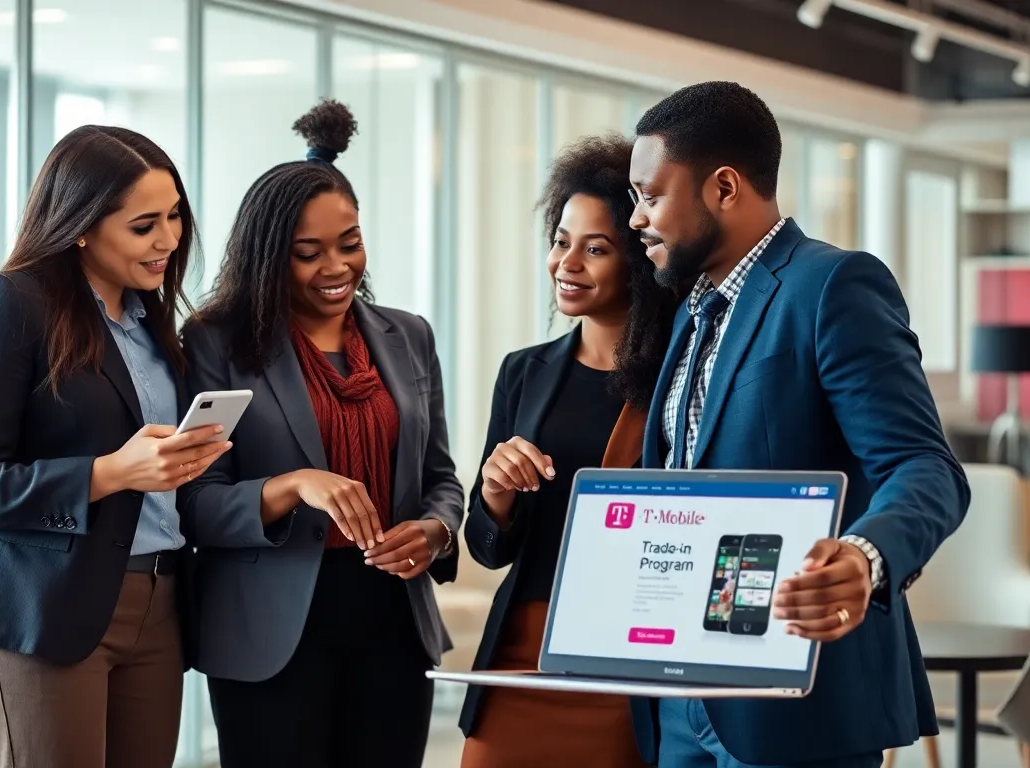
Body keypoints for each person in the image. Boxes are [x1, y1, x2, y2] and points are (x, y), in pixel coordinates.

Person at [627, 80, 970, 768]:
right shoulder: (691, 312)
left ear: (724, 188)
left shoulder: (833, 286)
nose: (636, 218)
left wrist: (864, 557)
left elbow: (925, 467)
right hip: (680, 691)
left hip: (795, 692)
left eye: (651, 194)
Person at [179, 99, 464, 768]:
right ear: (268, 256)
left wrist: (436, 530)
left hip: (394, 624)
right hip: (272, 635)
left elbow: (442, 478)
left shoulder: (408, 336)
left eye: (350, 242)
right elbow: (192, 504)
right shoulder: (218, 342)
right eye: (308, 254)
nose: (336, 267)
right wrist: (291, 486)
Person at [0, 125, 229, 768]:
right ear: (81, 225)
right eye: (144, 224)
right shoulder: (7, 304)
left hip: (159, 604)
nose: (169, 240)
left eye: (176, 216)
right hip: (48, 608)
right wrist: (107, 473)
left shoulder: (153, 322)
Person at [458, 134, 678, 768]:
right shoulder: (523, 372)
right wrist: (496, 498)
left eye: (596, 248)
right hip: (523, 648)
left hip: (628, 652)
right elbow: (487, 546)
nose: (567, 263)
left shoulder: (680, 377)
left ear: (639, 260)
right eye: (560, 241)